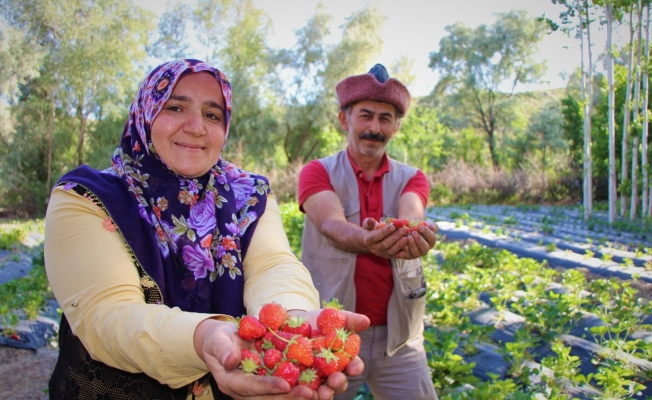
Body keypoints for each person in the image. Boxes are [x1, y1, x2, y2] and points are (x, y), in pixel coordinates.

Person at [44, 59, 369, 400]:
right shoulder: (86, 197)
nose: (197, 126)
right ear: (146, 112)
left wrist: (293, 319)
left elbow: (274, 264)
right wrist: (202, 336)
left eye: (212, 114)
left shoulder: (248, 194)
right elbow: (108, 315)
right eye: (175, 107)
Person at [298, 64, 438, 400]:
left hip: (399, 338)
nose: (375, 128)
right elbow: (331, 224)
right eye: (366, 116)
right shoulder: (317, 172)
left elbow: (412, 217)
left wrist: (414, 236)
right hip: (331, 333)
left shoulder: (413, 178)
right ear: (344, 120)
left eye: (385, 119)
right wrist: (368, 240)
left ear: (396, 128)